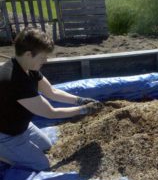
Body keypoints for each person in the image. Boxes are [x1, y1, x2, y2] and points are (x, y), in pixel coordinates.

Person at [0, 27, 102, 171]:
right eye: (43, 57)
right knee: (42, 165)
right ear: (29, 54)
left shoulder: (28, 68)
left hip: (22, 126)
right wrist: (83, 110)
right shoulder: (13, 80)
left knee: (47, 146)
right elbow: (51, 113)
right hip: (6, 135)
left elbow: (52, 92)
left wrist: (79, 100)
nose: (46, 61)